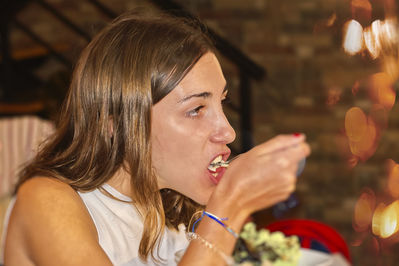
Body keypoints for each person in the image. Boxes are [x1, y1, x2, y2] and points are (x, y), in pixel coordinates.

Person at [2, 11, 310, 266]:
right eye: (197, 109)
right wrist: (230, 205)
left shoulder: (165, 211)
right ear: (117, 124)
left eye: (222, 103)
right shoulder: (45, 201)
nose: (228, 132)